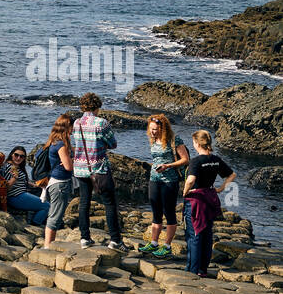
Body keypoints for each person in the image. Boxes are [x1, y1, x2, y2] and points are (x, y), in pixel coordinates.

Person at [71, 92, 125, 250]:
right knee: (109, 204)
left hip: (80, 167)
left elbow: (79, 143)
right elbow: (113, 144)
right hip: (99, 167)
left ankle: (85, 238)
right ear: (97, 107)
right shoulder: (101, 123)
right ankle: (115, 240)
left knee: (84, 203)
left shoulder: (77, 123)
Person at [136, 114, 190, 258]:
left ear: (163, 128)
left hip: (170, 181)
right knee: (156, 211)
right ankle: (154, 243)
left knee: (169, 212)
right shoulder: (153, 140)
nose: (152, 132)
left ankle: (166, 246)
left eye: (155, 129)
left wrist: (168, 166)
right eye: (150, 129)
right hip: (154, 178)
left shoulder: (174, 140)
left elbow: (185, 159)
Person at [183, 129, 235, 277]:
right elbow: (232, 174)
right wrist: (220, 188)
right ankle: (202, 270)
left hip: (197, 200)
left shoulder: (196, 161)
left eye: (193, 142)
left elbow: (191, 179)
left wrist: (185, 191)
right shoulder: (215, 159)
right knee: (206, 234)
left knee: (194, 234)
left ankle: (192, 271)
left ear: (197, 143)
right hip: (210, 197)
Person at [42, 114, 74, 246]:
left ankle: (48, 244)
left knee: (54, 214)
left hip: (54, 182)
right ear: (67, 127)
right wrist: (72, 160)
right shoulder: (61, 145)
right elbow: (68, 166)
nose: (73, 129)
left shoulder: (54, 141)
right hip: (60, 184)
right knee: (55, 217)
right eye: (72, 127)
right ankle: (47, 247)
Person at [0, 146, 50, 226]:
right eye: (16, 155)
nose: (18, 158)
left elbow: (22, 181)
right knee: (47, 206)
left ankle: (38, 218)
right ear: (11, 155)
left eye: (22, 156)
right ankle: (36, 224)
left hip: (21, 193)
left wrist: (33, 184)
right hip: (15, 196)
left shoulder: (15, 166)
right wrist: (14, 178)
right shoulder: (9, 167)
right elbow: (5, 188)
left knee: (43, 193)